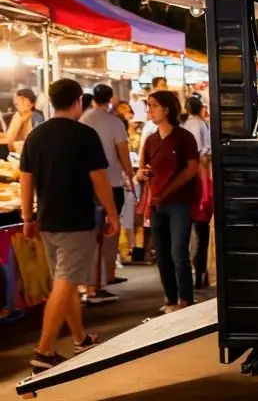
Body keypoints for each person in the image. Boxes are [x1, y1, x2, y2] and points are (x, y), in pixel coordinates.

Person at [19, 78, 119, 371]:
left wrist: (27, 217)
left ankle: (80, 338)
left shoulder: (35, 136)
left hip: (48, 221)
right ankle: (44, 351)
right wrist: (112, 215)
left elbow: (26, 181)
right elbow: (99, 180)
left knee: (66, 282)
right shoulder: (84, 135)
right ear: (77, 101)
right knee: (65, 283)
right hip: (76, 220)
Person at [139, 90, 200, 313]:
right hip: (156, 204)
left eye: (153, 105)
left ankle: (186, 300)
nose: (149, 110)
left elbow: (191, 169)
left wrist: (168, 190)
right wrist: (143, 175)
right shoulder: (151, 139)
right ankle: (170, 300)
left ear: (166, 109)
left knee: (178, 253)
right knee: (162, 254)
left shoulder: (184, 137)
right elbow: (141, 172)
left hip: (179, 203)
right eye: (149, 106)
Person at [79, 83, 134, 304]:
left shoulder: (84, 120)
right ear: (110, 99)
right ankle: (102, 281)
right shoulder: (114, 123)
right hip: (112, 184)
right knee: (110, 233)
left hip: (87, 185)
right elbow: (123, 154)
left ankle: (93, 283)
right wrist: (130, 175)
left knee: (93, 236)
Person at [182, 94, 213, 289]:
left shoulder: (185, 126)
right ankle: (200, 273)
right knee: (202, 233)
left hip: (190, 184)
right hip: (202, 180)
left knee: (192, 234)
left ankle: (196, 274)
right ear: (201, 108)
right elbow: (204, 153)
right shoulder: (201, 125)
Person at [2, 88, 44, 155]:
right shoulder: (18, 115)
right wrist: (21, 121)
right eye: (17, 102)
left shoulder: (37, 117)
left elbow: (36, 141)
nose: (17, 103)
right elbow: (10, 137)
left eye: (22, 100)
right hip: (16, 154)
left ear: (32, 103)